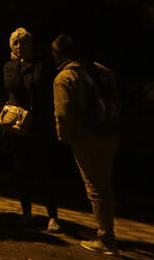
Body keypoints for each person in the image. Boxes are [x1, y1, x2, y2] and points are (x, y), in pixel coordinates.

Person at [52, 34, 121, 256]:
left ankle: (106, 238)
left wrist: (65, 136)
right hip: (109, 133)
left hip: (86, 136)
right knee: (105, 183)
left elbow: (63, 112)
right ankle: (105, 229)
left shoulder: (65, 78)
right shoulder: (103, 71)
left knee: (95, 187)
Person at [2, 27, 62, 232]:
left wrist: (26, 65)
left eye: (25, 42)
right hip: (17, 124)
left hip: (36, 125)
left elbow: (35, 86)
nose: (21, 46)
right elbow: (12, 84)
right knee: (21, 170)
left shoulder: (40, 66)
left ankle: (52, 216)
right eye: (16, 43)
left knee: (44, 169)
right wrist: (19, 65)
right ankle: (26, 212)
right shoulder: (9, 66)